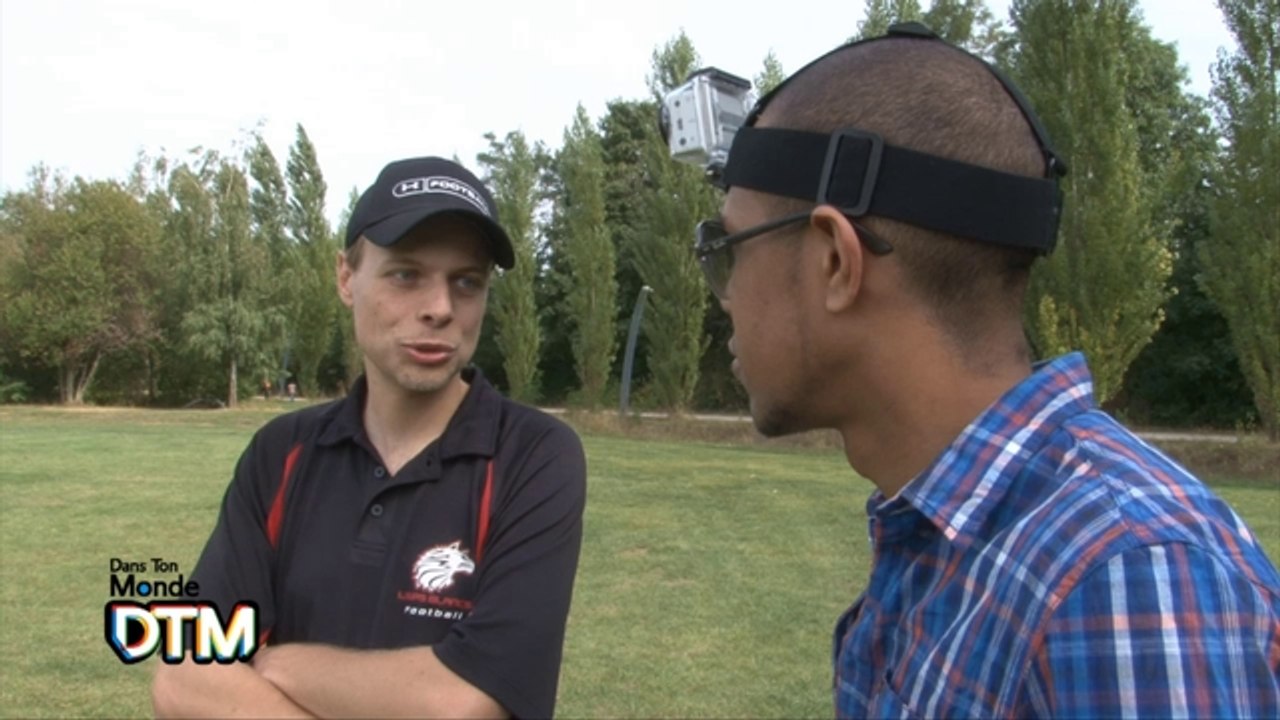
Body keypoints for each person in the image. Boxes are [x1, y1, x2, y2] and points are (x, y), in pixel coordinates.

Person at [694, 24, 1280, 718]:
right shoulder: (938, 539)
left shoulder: (1127, 576)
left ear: (835, 262)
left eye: (730, 247)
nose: (725, 295)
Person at [152, 157, 587, 719]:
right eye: (406, 274)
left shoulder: (534, 456)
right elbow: (183, 678)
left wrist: (275, 665)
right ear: (344, 278)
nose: (439, 308)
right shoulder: (279, 452)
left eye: (467, 282)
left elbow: (468, 702)